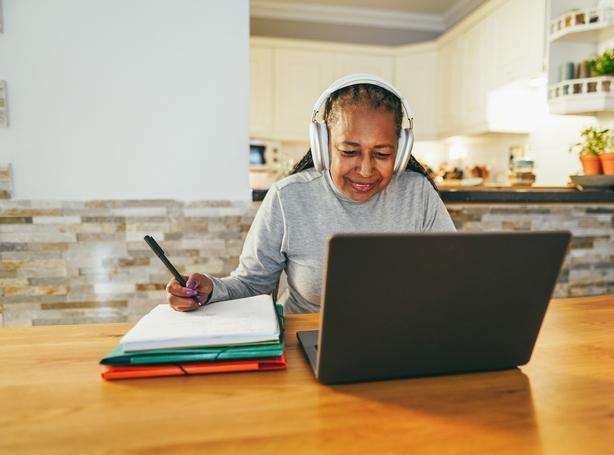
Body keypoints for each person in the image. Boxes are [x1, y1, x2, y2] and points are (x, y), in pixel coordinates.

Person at [166, 74, 456, 314]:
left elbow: (452, 279)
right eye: (349, 151)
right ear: (322, 146)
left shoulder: (419, 195)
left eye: (382, 154)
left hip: (401, 337)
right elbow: (254, 286)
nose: (366, 170)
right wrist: (212, 289)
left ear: (402, 151)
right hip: (306, 338)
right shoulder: (287, 197)